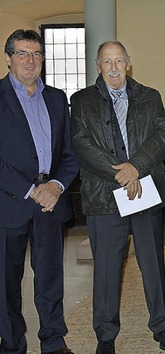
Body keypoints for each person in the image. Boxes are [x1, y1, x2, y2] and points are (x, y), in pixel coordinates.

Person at [70, 41, 165, 354]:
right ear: (98, 65)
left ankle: (162, 326)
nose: (114, 68)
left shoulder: (150, 96)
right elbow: (81, 143)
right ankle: (105, 335)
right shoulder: (81, 100)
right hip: (104, 194)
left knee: (152, 263)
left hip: (144, 189)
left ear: (128, 63)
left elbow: (162, 135)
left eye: (119, 61)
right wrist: (121, 174)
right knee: (106, 267)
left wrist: (137, 168)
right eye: (107, 62)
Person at [0, 28, 79, 354]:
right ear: (8, 59)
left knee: (50, 278)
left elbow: (70, 153)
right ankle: (11, 346)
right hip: (11, 203)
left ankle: (54, 343)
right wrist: (32, 190)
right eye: (22, 53)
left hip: (51, 201)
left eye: (36, 54)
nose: (30, 60)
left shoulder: (57, 98)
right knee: (7, 285)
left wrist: (56, 186)